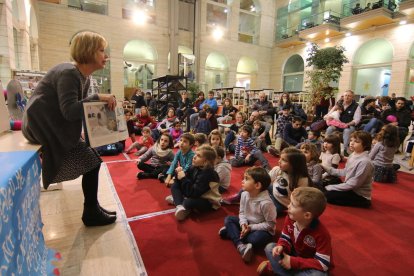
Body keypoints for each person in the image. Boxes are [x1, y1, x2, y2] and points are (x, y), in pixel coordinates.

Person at [22, 31, 116, 226]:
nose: (105, 55)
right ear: (88, 52)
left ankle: (92, 208)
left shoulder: (82, 77)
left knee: (93, 161)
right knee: (92, 162)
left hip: (50, 125)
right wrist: (98, 98)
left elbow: (75, 109)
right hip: (40, 127)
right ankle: (91, 211)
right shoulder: (69, 73)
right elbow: (70, 111)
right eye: (101, 50)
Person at [257, 187, 332, 275]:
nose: (288, 206)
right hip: (292, 255)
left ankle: (276, 269)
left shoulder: (322, 234)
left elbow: (323, 263)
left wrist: (293, 262)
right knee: (270, 247)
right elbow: (285, 238)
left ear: (307, 215)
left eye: (293, 204)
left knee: (318, 275)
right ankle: (282, 270)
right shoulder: (290, 218)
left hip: (308, 263)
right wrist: (281, 246)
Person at [219, 167, 276, 263]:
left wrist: (250, 227)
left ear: (257, 185)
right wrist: (243, 224)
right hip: (247, 225)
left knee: (255, 240)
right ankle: (240, 246)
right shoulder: (244, 194)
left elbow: (270, 225)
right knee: (229, 219)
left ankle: (233, 233)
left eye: (246, 179)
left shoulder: (266, 203)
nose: (242, 181)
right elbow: (242, 213)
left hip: (262, 230)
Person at [165, 145, 221, 221]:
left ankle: (179, 201)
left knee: (189, 202)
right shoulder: (194, 167)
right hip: (194, 192)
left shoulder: (208, 174)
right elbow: (183, 181)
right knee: (175, 184)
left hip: (207, 200)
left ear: (205, 162)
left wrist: (183, 178)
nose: (194, 157)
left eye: (198, 156)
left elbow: (193, 193)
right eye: (195, 154)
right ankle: (179, 206)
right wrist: (178, 173)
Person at [322, 131, 374, 208]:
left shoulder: (365, 162)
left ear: (365, 145)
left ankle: (363, 203)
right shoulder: (353, 155)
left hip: (358, 194)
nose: (352, 143)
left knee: (328, 195)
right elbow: (345, 172)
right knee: (328, 183)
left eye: (356, 142)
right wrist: (326, 168)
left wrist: (331, 187)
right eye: (351, 140)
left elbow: (354, 184)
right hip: (350, 186)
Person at [268, 147, 311, 213]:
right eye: (280, 158)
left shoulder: (302, 180)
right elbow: (266, 180)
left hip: (282, 203)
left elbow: (299, 201)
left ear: (295, 164)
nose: (279, 161)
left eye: (284, 160)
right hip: (274, 192)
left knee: (266, 211)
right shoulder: (278, 170)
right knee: (257, 182)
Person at [324, 90, 361, 156]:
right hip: (337, 125)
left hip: (349, 125)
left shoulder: (356, 106)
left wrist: (347, 124)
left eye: (349, 96)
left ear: (352, 97)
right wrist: (329, 118)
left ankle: (345, 150)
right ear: (343, 97)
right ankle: (326, 146)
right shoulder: (338, 104)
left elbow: (357, 120)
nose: (347, 97)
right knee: (330, 129)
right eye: (345, 95)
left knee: (347, 131)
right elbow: (327, 115)